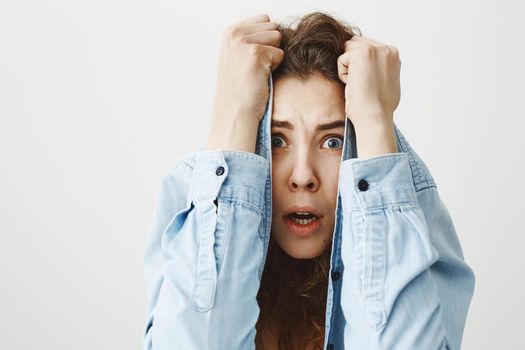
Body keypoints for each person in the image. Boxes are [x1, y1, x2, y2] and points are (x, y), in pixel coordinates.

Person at [143, 11, 476, 350]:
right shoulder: (188, 221)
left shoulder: (412, 235)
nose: (303, 177)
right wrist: (234, 115)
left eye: (333, 142)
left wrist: (377, 123)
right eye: (276, 140)